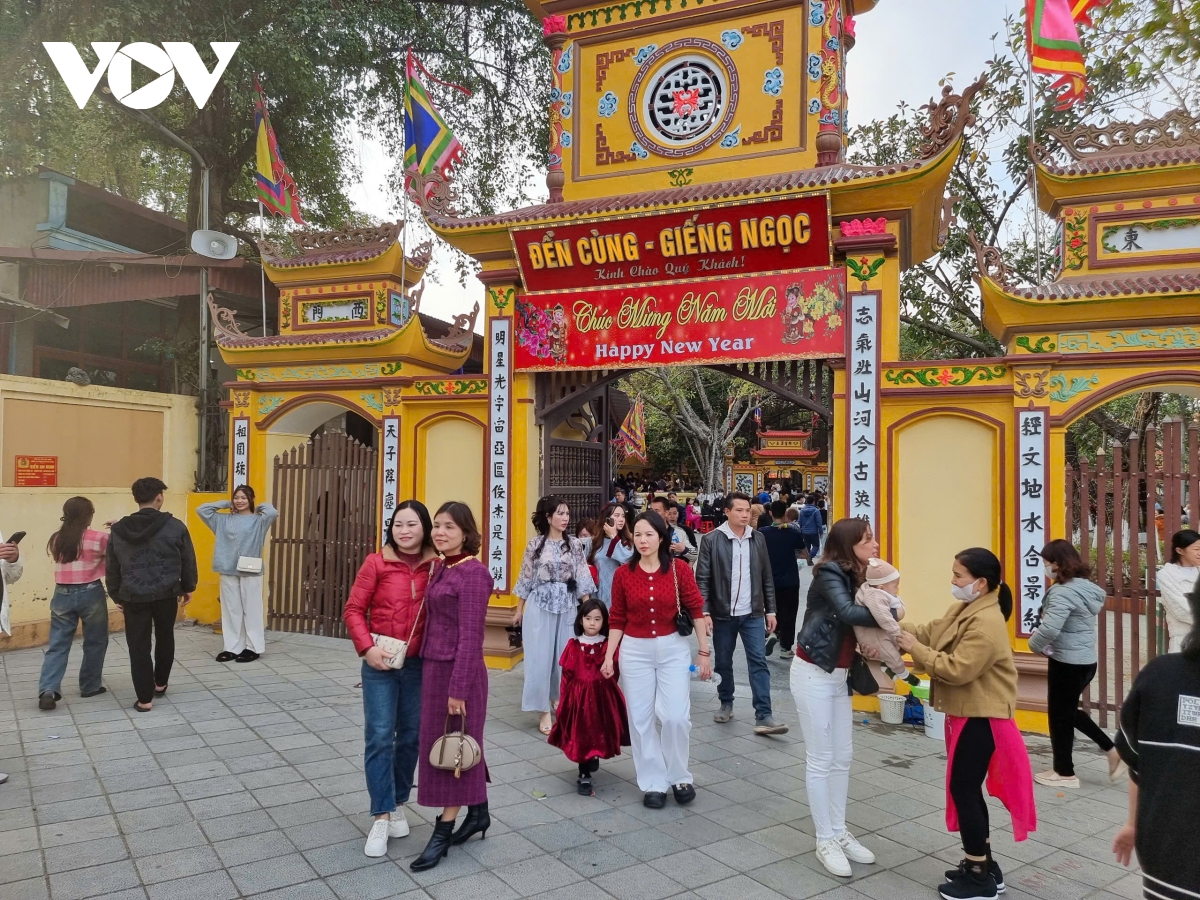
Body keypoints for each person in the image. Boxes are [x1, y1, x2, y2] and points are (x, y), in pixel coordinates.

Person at [897, 548, 1036, 900]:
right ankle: (984, 864)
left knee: (964, 790)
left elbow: (957, 668)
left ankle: (978, 878)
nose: (953, 581)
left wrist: (915, 648)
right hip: (970, 714)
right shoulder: (968, 607)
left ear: (980, 583)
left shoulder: (986, 624)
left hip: (983, 718)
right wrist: (893, 627)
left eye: (958, 576)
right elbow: (933, 631)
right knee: (968, 789)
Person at [344, 501, 438, 857]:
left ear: (424, 528)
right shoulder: (376, 562)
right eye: (398, 524)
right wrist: (367, 649)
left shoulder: (436, 566)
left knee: (411, 736)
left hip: (418, 665)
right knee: (380, 737)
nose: (404, 531)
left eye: (412, 524)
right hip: (380, 664)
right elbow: (353, 609)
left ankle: (398, 800)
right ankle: (381, 815)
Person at [792, 518, 881, 877]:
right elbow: (846, 612)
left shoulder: (855, 575)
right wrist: (892, 613)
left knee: (843, 755)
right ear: (849, 545)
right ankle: (824, 838)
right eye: (868, 540)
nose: (874, 546)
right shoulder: (829, 571)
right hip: (813, 672)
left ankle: (840, 831)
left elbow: (852, 623)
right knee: (821, 757)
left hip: (840, 674)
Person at [604, 511, 710, 808]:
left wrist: (703, 651)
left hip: (673, 648)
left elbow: (696, 609)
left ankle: (679, 775)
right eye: (637, 534)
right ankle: (653, 781)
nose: (643, 540)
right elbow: (617, 618)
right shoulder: (623, 574)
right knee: (640, 719)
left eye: (649, 534)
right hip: (634, 650)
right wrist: (610, 655)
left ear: (662, 537)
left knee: (676, 716)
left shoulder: (679, 570)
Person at [411, 502, 492, 872]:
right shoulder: (444, 565)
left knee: (453, 750)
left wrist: (458, 689)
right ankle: (478, 813)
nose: (440, 533)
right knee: (455, 741)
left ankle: (442, 833)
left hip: (460, 675)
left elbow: (472, 637)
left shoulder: (473, 574)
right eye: (437, 526)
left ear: (466, 532)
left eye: (449, 527)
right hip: (434, 668)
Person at [1111, 577, 1200, 900]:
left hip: (1165, 855)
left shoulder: (1161, 675)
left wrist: (1135, 823)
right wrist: (1133, 824)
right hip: (1170, 859)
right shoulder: (1161, 678)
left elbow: (1138, 763)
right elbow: (1140, 761)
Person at [1028, 540, 1122, 788]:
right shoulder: (1085, 588)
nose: (1045, 567)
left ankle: (1065, 773)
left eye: (1046, 563)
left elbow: (1050, 627)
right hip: (1085, 661)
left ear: (1056, 564)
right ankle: (1110, 750)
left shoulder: (1063, 591)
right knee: (1066, 712)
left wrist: (1034, 645)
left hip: (1067, 663)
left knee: (1060, 716)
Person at [696, 492, 787, 735]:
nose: (745, 514)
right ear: (727, 512)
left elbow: (766, 577)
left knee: (758, 661)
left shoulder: (757, 539)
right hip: (723, 614)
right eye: (739, 510)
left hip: (753, 613)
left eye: (747, 510)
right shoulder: (711, 540)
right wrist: (704, 611)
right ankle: (726, 702)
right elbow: (702, 578)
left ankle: (764, 715)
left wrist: (771, 610)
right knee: (724, 662)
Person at [106, 477, 197, 712]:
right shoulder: (175, 526)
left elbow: (112, 565)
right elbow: (187, 559)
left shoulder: (118, 529)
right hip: (167, 593)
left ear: (136, 498)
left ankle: (144, 699)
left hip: (133, 595)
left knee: (138, 646)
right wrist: (188, 586)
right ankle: (160, 683)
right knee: (165, 637)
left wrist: (117, 595)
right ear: (159, 496)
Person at [514, 496, 597, 735]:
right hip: (539, 605)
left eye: (567, 514)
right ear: (548, 517)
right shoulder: (535, 545)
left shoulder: (574, 544)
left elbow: (582, 576)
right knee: (539, 658)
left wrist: (588, 610)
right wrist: (519, 609)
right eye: (560, 513)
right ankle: (543, 710)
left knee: (566, 657)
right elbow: (526, 577)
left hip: (568, 605)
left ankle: (561, 700)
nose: (565, 518)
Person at [548, 598, 630, 796]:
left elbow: (614, 671)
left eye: (597, 619)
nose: (592, 623)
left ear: (604, 622)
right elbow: (566, 675)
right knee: (581, 734)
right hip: (578, 699)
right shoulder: (573, 645)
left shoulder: (607, 646)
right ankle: (584, 773)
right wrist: (563, 700)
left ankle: (595, 755)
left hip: (603, 698)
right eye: (588, 618)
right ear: (580, 620)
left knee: (599, 731)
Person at [38, 497, 110, 710]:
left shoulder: (57, 538)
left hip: (61, 593)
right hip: (90, 592)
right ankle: (90, 686)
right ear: (89, 515)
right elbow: (114, 555)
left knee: (58, 644)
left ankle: (48, 690)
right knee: (95, 641)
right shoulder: (99, 538)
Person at [196, 485, 279, 663]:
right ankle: (232, 647)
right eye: (237, 497)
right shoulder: (222, 520)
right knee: (231, 610)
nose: (239, 501)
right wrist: (226, 503)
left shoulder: (259, 520)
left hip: (250, 570)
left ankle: (253, 647)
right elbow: (202, 509)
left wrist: (259, 507)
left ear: (250, 499)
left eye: (244, 497)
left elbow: (272, 513)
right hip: (227, 568)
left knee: (252, 610)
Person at [854, 558, 921, 688]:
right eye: (895, 586)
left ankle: (886, 667)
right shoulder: (874, 596)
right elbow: (884, 617)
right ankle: (904, 675)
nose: (897, 588)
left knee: (892, 648)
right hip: (872, 635)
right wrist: (897, 633)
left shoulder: (874, 589)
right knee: (891, 652)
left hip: (878, 631)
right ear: (881, 587)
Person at [761, 500, 804, 660]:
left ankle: (771, 633)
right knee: (790, 612)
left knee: (772, 609)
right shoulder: (793, 532)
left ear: (770, 513)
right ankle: (786, 647)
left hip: (769, 579)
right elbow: (804, 553)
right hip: (791, 579)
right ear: (786, 513)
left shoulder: (763, 533)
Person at [1156, 529, 1200, 652]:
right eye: (1196, 549)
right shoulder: (1167, 575)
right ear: (1179, 550)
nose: (1199, 553)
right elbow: (1182, 609)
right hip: (1183, 640)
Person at [592, 502, 633, 610]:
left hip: (619, 591)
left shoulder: (629, 542)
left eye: (623, 516)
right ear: (606, 519)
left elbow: (626, 559)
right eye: (616, 515)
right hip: (599, 591)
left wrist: (613, 536)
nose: (621, 519)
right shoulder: (594, 542)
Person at [649, 496, 697, 565]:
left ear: (666, 513)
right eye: (651, 511)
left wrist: (684, 550)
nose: (653, 514)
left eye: (657, 511)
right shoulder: (644, 531)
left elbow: (694, 554)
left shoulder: (678, 532)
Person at [797, 496, 824, 563]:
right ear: (813, 502)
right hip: (814, 532)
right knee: (816, 546)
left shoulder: (802, 510)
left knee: (807, 547)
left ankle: (809, 559)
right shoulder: (816, 511)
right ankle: (810, 557)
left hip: (804, 532)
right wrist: (821, 531)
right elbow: (819, 522)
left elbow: (799, 522)